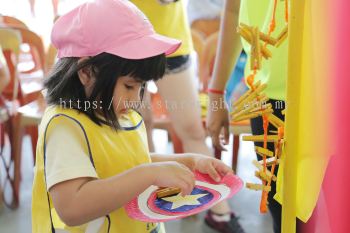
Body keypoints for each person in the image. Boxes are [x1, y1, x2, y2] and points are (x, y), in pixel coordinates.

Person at [31, 0, 233, 232]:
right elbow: (72, 207)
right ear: (86, 72)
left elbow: (127, 162)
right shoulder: (65, 126)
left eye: (141, 87)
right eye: (129, 86)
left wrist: (189, 161)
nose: (136, 100)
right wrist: (150, 173)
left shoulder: (119, 114)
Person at [130, 1, 245, 232]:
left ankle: (219, 212)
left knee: (192, 129)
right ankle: (145, 205)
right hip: (124, 39)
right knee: (137, 127)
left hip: (171, 38)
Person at [206, 0, 290, 232]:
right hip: (268, 101)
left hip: (331, 98)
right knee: (281, 210)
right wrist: (215, 93)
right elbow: (233, 9)